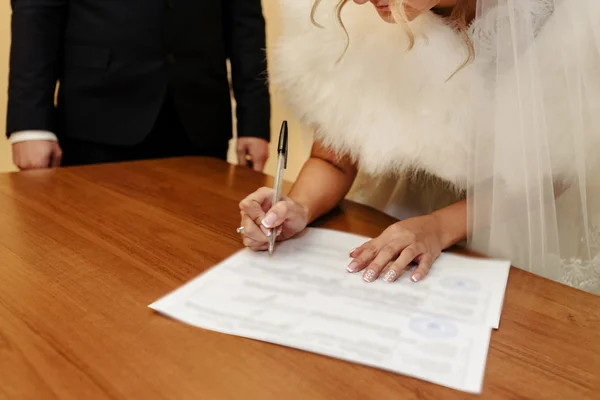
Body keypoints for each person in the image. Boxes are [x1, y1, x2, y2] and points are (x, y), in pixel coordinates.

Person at [237, 0, 600, 295]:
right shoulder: (359, 16)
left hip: (512, 218)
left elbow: (550, 172)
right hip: (396, 217)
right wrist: (298, 207)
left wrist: (437, 228)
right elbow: (333, 158)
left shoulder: (552, 21)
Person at [7, 0, 270, 170]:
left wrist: (254, 123)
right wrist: (30, 125)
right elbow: (35, 13)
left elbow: (246, 23)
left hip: (200, 119)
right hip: (95, 120)